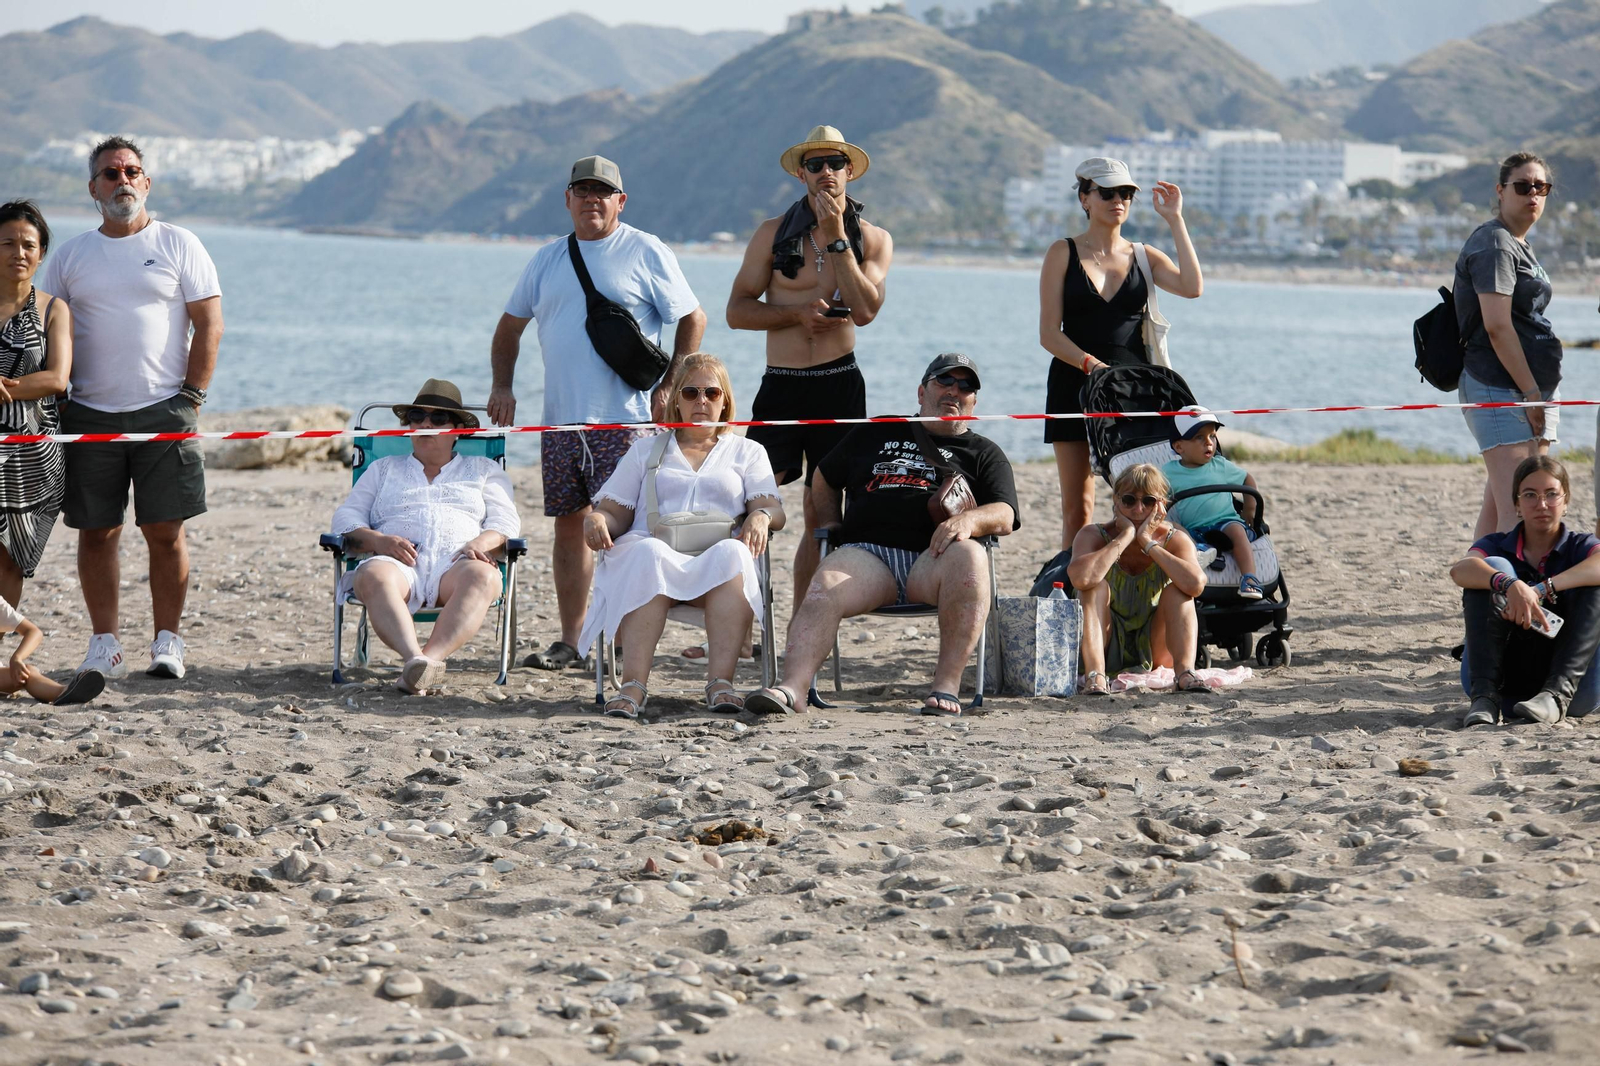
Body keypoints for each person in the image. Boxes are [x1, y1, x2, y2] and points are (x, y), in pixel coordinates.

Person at [488, 155, 706, 672]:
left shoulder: (645, 249)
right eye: (582, 190)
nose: (592, 199)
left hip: (625, 422)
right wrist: (503, 386)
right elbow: (509, 328)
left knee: (627, 533)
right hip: (561, 422)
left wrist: (671, 385)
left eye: (602, 192)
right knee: (569, 529)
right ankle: (573, 640)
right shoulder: (546, 259)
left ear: (620, 201)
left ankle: (624, 641)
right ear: (567, 199)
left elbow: (692, 318)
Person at [39, 136, 223, 682]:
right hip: (87, 414)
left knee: (166, 532)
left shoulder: (178, 242)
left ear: (146, 182)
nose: (123, 181)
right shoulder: (70, 256)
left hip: (165, 410)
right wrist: (55, 397)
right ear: (93, 188)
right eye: (111, 173)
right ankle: (106, 646)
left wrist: (192, 396)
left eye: (131, 171)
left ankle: (168, 642)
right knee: (97, 532)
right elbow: (48, 328)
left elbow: (209, 324)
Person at [744, 353, 1018, 718]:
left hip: (935, 562)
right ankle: (792, 688)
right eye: (944, 381)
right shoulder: (877, 430)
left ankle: (946, 686)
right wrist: (831, 521)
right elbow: (824, 476)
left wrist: (970, 521)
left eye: (966, 386)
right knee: (825, 582)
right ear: (921, 392)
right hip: (868, 557)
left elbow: (1006, 513)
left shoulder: (984, 453)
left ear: (974, 402)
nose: (955, 390)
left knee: (971, 556)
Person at [728, 125, 893, 624]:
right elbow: (737, 311)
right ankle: (740, 623)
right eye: (815, 164)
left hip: (839, 384)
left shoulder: (874, 238)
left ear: (850, 171)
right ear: (801, 173)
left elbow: (866, 310)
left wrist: (839, 238)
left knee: (822, 515)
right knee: (747, 504)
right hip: (781, 383)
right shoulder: (772, 233)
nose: (826, 172)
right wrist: (796, 314)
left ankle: (806, 625)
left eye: (835, 163)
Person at [577, 354, 785, 718]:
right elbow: (615, 512)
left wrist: (761, 516)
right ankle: (633, 685)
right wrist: (596, 518)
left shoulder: (748, 451)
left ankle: (721, 682)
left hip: (717, 563)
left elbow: (773, 508)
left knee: (734, 553)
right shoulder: (646, 449)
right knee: (649, 552)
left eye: (711, 393)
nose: (701, 400)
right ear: (677, 400)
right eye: (691, 392)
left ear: (725, 401)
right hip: (654, 559)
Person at [1038, 157, 1202, 550]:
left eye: (1126, 193)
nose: (1118, 201)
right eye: (1108, 193)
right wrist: (1092, 366)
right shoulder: (1062, 252)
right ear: (1084, 199)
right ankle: (1073, 580)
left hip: (1133, 391)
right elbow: (1048, 334)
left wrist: (1175, 220)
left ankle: (1141, 572)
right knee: (1078, 507)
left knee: (1143, 499)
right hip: (1073, 383)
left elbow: (1192, 287)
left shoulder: (1144, 255)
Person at [330, 380, 520, 695]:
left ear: (458, 430)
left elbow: (506, 522)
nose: (426, 424)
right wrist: (379, 541)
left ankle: (425, 663)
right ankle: (416, 661)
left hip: (456, 564)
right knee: (373, 575)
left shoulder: (484, 470)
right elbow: (345, 518)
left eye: (438, 418)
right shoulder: (382, 469)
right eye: (417, 417)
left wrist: (480, 543)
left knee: (485, 578)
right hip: (396, 563)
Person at [1454, 151, 1563, 539]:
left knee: (1501, 507)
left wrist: (1539, 392)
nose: (1533, 194)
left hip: (1529, 389)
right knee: (1521, 513)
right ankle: (1508, 581)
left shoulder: (1518, 243)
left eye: (1541, 187)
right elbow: (1498, 327)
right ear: (1501, 191)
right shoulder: (1495, 243)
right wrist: (1531, 393)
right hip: (1500, 386)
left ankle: (1478, 576)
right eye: (1522, 186)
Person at [1451, 456, 1600, 727]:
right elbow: (1460, 570)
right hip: (1505, 686)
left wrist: (1543, 588)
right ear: (1517, 504)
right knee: (1492, 568)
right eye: (1530, 495)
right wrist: (1511, 585)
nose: (1542, 504)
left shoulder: (1580, 546)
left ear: (1566, 501)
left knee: (1591, 577)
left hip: (1574, 692)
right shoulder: (1497, 544)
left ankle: (1555, 698)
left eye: (1551, 494)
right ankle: (1484, 697)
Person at [1069, 464, 1207, 694]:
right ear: (1116, 500)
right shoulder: (1093, 534)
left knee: (1180, 591)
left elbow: (1195, 585)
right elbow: (1081, 579)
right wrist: (1125, 537)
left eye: (1149, 501)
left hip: (1155, 647)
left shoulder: (1174, 539)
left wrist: (1147, 542)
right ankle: (1096, 675)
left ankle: (1185, 672)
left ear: (1162, 504)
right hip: (1104, 643)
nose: (1138, 509)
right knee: (1093, 587)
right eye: (1129, 500)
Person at [0, 200, 70, 609]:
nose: (19, 253)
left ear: (41, 253)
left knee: (10, 559)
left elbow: (57, 378)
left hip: (31, 454)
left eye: (29, 245)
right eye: (8, 243)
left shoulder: (53, 309)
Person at [1161, 406, 1263, 599]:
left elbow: (1247, 479)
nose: (1209, 442)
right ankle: (1200, 550)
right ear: (1179, 447)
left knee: (1237, 531)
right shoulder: (1168, 472)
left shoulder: (1220, 465)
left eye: (1212, 436)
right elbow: (1154, 490)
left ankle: (1250, 578)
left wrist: (1250, 508)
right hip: (1194, 529)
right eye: (1199, 437)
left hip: (1225, 522)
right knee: (1172, 527)